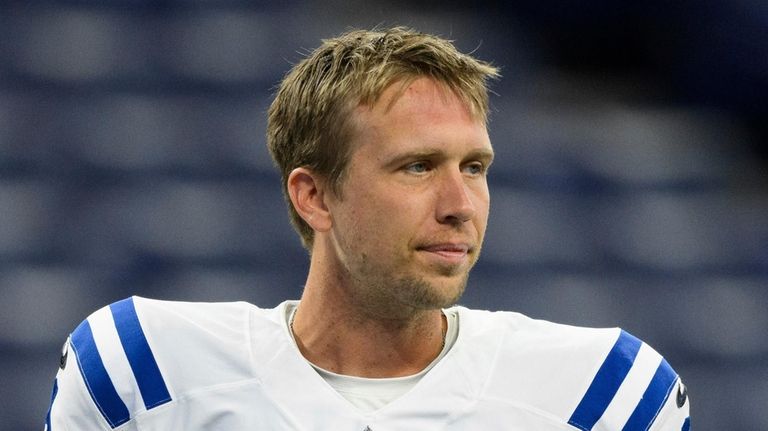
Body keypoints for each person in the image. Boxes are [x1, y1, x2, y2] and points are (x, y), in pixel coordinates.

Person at [45, 27, 691, 430]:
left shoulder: (604, 395)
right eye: (417, 166)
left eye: (475, 166)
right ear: (315, 196)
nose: (459, 203)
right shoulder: (143, 373)